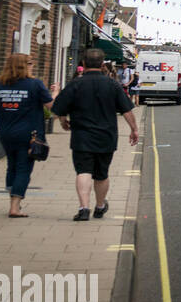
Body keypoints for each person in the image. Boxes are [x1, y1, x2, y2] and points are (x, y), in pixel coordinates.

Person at [51, 47, 139, 222]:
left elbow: (59, 107)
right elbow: (127, 110)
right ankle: (99, 207)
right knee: (101, 174)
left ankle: (84, 208)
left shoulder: (76, 84)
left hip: (81, 136)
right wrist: (134, 129)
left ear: (83, 63)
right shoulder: (112, 85)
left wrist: (62, 121)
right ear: (102, 64)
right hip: (106, 136)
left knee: (83, 171)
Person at [0, 54, 56, 218]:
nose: (33, 66)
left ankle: (13, 201)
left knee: (12, 166)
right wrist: (55, 93)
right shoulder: (35, 84)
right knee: (23, 168)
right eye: (30, 63)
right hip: (28, 134)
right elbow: (52, 107)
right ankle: (15, 207)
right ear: (23, 65)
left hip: (6, 133)